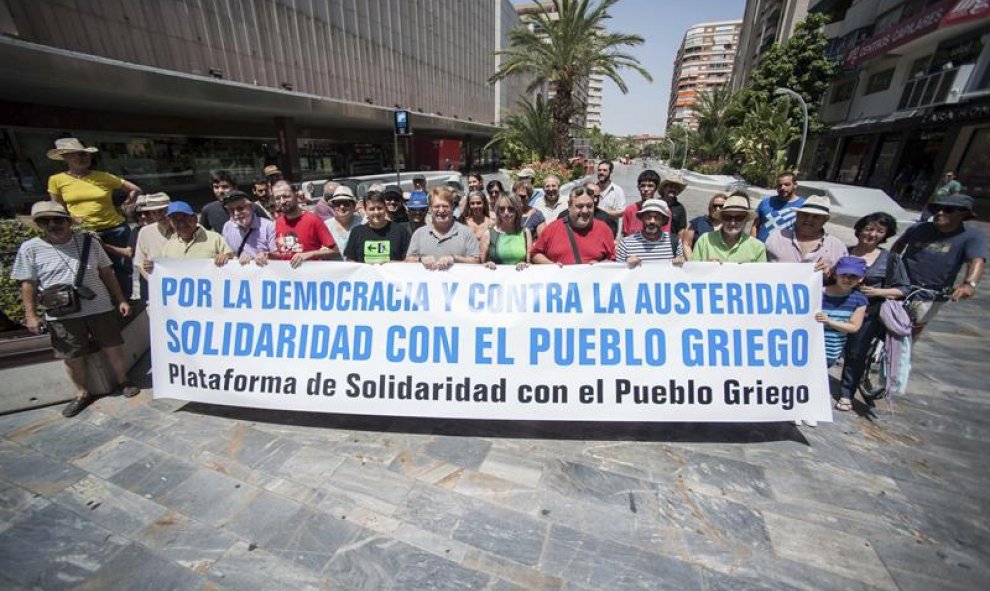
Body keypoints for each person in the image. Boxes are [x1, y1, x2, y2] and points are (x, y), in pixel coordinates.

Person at [12, 201, 139, 417]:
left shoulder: (89, 243)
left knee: (112, 346)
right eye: (45, 221)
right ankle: (82, 393)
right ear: (39, 224)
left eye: (58, 219)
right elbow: (28, 284)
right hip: (61, 312)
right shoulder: (30, 249)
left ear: (68, 221)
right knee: (71, 355)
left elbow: (107, 273)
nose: (53, 224)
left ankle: (123, 380)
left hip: (99, 306)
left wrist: (120, 299)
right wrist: (30, 315)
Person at [46, 137, 142, 299]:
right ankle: (105, 302)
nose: (82, 158)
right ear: (65, 157)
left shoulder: (103, 176)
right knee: (93, 269)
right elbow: (58, 208)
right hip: (84, 230)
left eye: (84, 154)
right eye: (75, 155)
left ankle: (125, 301)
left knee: (122, 267)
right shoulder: (57, 180)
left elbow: (135, 189)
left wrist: (128, 203)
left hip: (115, 228)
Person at [836, 212, 910, 411]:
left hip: (867, 314)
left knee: (855, 353)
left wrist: (878, 291)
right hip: (834, 309)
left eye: (880, 231)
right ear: (859, 229)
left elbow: (903, 289)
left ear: (885, 235)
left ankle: (846, 394)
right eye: (869, 228)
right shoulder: (842, 251)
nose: (872, 234)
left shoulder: (891, 259)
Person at [892, 193, 986, 339]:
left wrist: (969, 284)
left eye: (948, 210)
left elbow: (976, 260)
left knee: (911, 332)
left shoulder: (971, 236)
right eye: (937, 209)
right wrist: (889, 265)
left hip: (930, 293)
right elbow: (898, 245)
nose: (940, 213)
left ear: (963, 214)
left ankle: (902, 358)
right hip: (900, 285)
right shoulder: (918, 228)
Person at [260, 180, 339, 267]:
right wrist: (269, 255)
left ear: (296, 194)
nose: (282, 201)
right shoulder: (276, 224)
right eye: (278, 198)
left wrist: (310, 254)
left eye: (286, 196)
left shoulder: (313, 220)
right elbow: (284, 254)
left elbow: (335, 251)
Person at [531, 186, 615, 265]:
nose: (585, 211)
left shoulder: (604, 230)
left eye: (589, 206)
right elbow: (535, 254)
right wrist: (551, 265)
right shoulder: (552, 229)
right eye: (580, 206)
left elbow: (612, 259)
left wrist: (601, 265)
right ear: (569, 205)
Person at [765, 195, 847, 275]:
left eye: (816, 216)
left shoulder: (837, 247)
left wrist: (830, 275)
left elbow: (845, 280)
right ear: (797, 215)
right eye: (805, 214)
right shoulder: (777, 238)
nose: (808, 220)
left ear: (825, 220)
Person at [406, 186, 481, 269]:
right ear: (430, 209)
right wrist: (421, 259)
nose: (441, 210)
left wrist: (455, 259)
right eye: (437, 206)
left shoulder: (467, 233)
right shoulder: (418, 234)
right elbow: (408, 260)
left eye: (445, 206)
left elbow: (476, 261)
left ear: (452, 207)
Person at [690, 194, 767, 263]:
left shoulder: (758, 248)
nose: (732, 223)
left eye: (739, 218)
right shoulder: (704, 241)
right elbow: (692, 272)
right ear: (721, 218)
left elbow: (762, 277)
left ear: (746, 219)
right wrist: (704, 267)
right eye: (727, 217)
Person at [344, 191, 411, 263]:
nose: (376, 212)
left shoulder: (400, 231)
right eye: (372, 209)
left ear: (385, 208)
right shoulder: (356, 232)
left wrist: (392, 264)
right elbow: (350, 261)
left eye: (379, 208)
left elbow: (409, 261)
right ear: (366, 210)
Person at [158, 201, 233, 264]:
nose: (181, 224)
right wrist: (152, 267)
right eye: (175, 220)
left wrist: (226, 257)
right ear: (171, 223)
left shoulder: (215, 239)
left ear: (195, 219)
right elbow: (162, 267)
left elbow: (232, 260)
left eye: (185, 218)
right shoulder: (169, 245)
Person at [616, 199, 683, 266]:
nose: (652, 221)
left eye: (657, 217)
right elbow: (617, 272)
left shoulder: (675, 242)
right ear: (642, 218)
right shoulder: (626, 244)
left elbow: (680, 272)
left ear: (663, 220)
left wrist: (680, 262)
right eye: (648, 217)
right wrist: (626, 264)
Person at [132, 193, 174, 301]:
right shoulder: (145, 232)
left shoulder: (187, 229)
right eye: (153, 212)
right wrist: (154, 282)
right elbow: (140, 263)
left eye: (162, 211)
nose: (158, 216)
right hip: (158, 292)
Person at [199, 170, 269, 233]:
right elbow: (201, 234)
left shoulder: (253, 208)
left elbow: (268, 229)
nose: (220, 191)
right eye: (216, 187)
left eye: (225, 187)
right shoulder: (208, 210)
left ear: (235, 188)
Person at [220, 190, 276, 264]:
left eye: (240, 208)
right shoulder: (227, 227)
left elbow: (277, 255)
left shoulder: (268, 226)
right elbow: (229, 252)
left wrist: (266, 255)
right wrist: (225, 256)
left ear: (251, 207)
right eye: (231, 210)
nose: (236, 213)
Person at [481, 192, 531, 270]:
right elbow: (479, 265)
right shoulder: (488, 234)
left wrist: (525, 264)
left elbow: (530, 264)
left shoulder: (525, 233)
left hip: (520, 279)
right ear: (497, 211)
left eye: (511, 209)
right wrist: (487, 264)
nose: (506, 213)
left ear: (517, 210)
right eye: (502, 209)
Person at [752, 172, 805, 242]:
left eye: (787, 184)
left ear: (795, 185)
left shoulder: (803, 206)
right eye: (779, 185)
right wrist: (752, 243)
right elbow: (755, 226)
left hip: (783, 250)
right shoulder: (766, 202)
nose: (782, 188)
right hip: (760, 248)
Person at [324, 185, 364, 254]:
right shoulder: (325, 226)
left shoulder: (364, 223)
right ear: (333, 206)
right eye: (338, 203)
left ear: (353, 205)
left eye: (346, 203)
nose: (342, 207)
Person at [621, 169, 661, 237]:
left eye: (650, 186)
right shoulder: (630, 210)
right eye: (643, 186)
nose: (646, 189)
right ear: (638, 187)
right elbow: (625, 235)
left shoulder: (662, 211)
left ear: (656, 188)